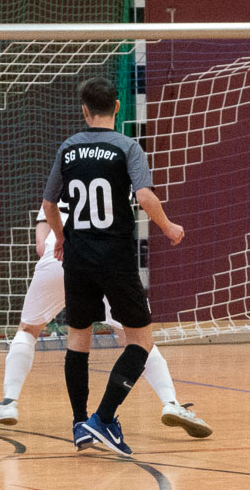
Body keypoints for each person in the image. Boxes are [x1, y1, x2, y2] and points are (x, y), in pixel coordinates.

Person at [0, 202, 212, 439]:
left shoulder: (63, 181)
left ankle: (9, 403)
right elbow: (143, 198)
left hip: (60, 254)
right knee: (137, 338)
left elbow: (41, 237)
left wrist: (56, 247)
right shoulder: (117, 178)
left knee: (29, 329)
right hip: (106, 258)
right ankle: (170, 402)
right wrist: (167, 225)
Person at [41, 77, 185, 456]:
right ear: (118, 107)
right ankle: (103, 418)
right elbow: (144, 196)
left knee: (78, 339)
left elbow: (49, 205)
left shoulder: (68, 148)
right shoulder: (127, 146)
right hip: (115, 257)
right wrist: (168, 226)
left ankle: (80, 424)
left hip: (78, 257)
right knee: (141, 341)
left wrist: (61, 238)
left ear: (84, 110)